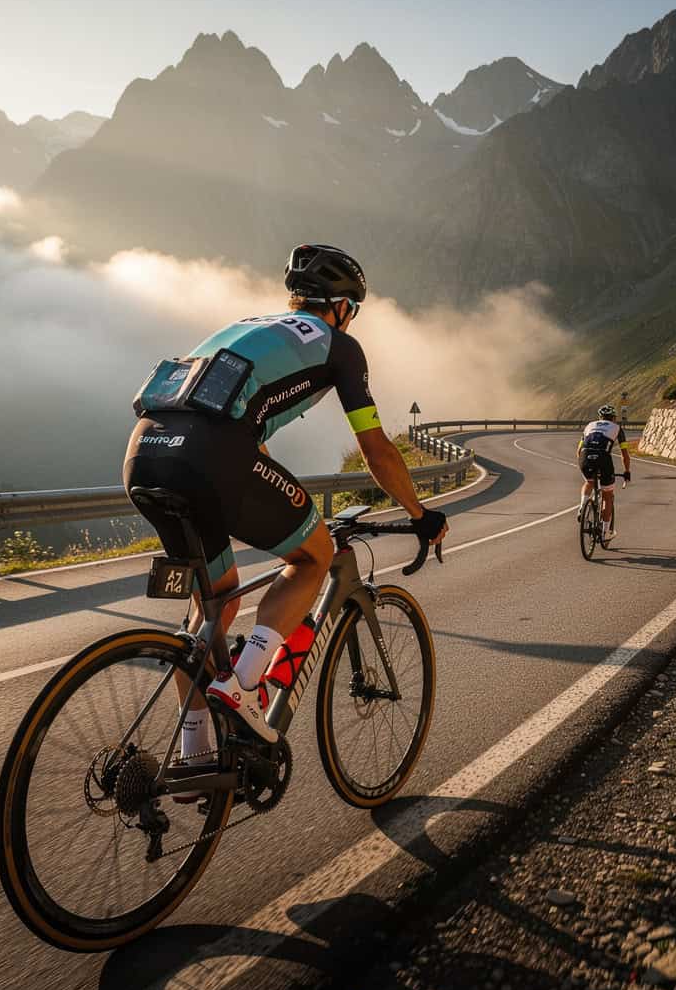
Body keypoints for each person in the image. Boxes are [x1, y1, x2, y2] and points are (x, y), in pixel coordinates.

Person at [124, 244, 448, 750]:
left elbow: (242, 432)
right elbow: (377, 451)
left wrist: (276, 488)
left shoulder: (248, 326)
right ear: (342, 307)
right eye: (352, 311)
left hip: (147, 450)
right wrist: (420, 513)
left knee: (212, 611)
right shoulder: (339, 347)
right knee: (313, 554)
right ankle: (243, 689)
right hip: (213, 455)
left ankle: (193, 757)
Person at [577, 405, 631, 542]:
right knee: (608, 495)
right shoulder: (617, 428)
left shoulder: (590, 425)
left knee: (589, 482)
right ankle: (606, 532)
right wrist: (626, 471)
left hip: (584, 457)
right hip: (603, 459)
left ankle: (582, 507)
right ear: (613, 417)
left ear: (599, 417)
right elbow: (625, 454)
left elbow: (578, 451)